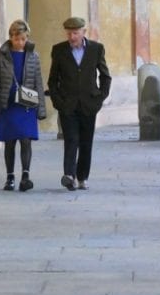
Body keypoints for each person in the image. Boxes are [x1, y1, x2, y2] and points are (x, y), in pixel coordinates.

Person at [46, 16, 112, 191]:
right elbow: (53, 80)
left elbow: (105, 76)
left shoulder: (96, 49)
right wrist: (58, 101)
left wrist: (99, 98)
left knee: (85, 142)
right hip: (67, 104)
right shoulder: (59, 50)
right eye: (69, 34)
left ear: (84, 32)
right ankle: (69, 175)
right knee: (71, 139)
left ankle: (82, 177)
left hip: (89, 104)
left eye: (75, 33)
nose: (72, 37)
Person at [0, 19, 47, 191]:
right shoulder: (1, 55)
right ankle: (10, 178)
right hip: (8, 104)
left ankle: (26, 176)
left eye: (23, 38)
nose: (20, 42)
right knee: (10, 141)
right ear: (11, 37)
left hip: (26, 105)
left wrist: (41, 109)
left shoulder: (33, 56)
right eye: (16, 39)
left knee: (26, 139)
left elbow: (38, 82)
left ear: (27, 37)